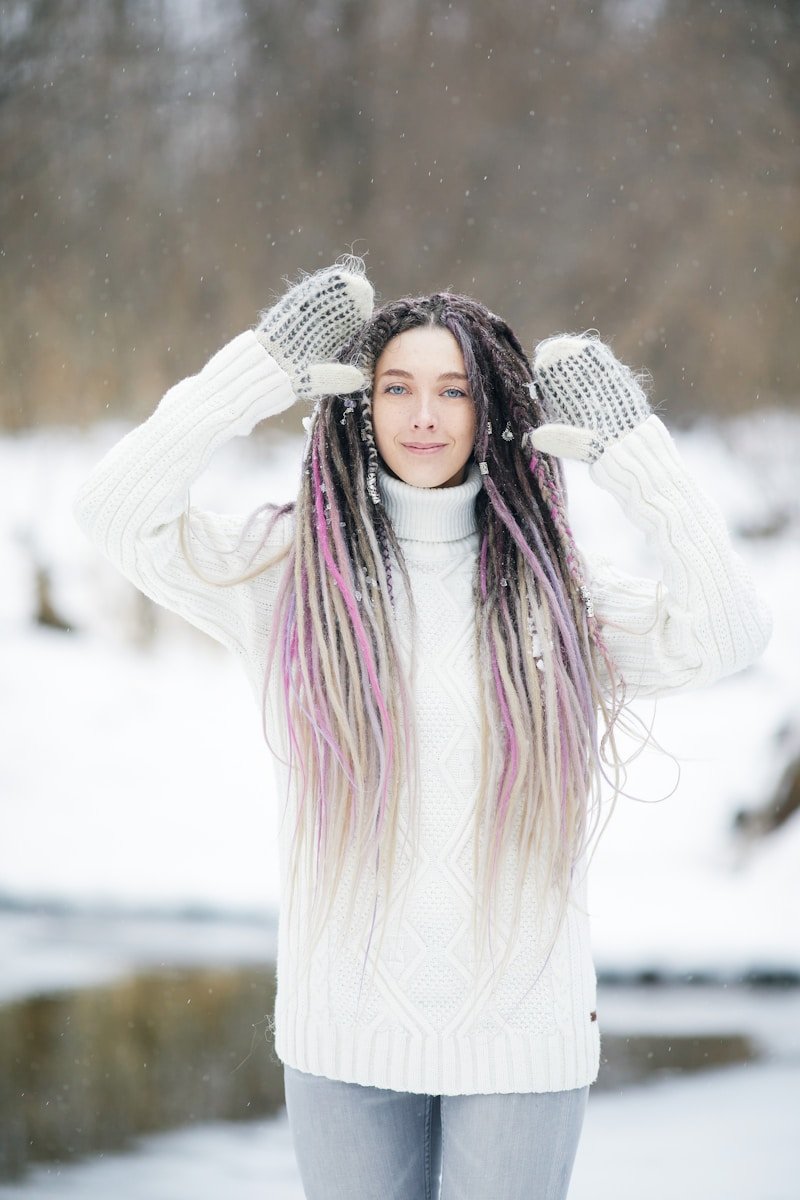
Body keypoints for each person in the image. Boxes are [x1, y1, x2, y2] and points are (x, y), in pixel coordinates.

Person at [74, 259, 770, 1200]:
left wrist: (632, 451)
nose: (424, 416)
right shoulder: (289, 575)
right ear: (358, 405)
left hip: (523, 1038)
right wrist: (263, 368)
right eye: (396, 388)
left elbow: (727, 634)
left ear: (492, 412)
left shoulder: (557, 595)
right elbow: (114, 510)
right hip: (343, 1031)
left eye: (453, 391)